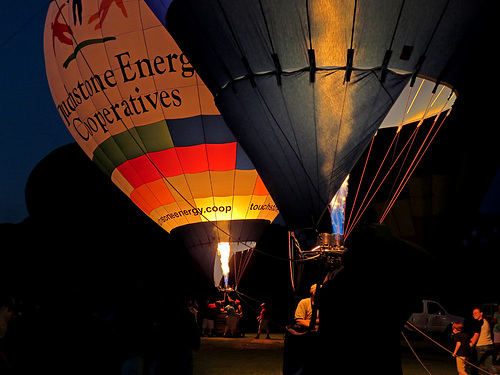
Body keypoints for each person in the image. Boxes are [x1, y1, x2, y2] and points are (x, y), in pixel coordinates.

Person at [470, 307, 498, 375]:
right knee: (489, 365)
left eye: (476, 313)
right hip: (490, 346)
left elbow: (477, 335)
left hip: (481, 346)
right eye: (473, 313)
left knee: (474, 365)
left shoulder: (480, 322)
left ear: (481, 313)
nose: (474, 314)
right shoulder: (486, 321)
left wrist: (471, 343)